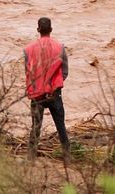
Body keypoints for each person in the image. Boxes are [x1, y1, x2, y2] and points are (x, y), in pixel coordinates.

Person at [24, 16, 70, 160]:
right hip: (54, 93)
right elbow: (65, 72)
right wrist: (54, 86)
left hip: (37, 94)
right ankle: (67, 157)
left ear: (38, 30)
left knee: (35, 127)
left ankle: (31, 159)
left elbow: (28, 72)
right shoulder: (60, 47)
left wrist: (37, 87)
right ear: (51, 29)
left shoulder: (28, 50)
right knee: (61, 126)